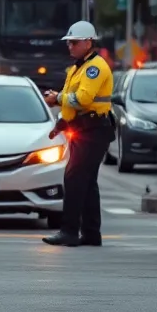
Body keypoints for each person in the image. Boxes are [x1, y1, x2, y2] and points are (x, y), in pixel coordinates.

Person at [40, 20, 115, 247]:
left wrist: (57, 98)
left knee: (74, 179)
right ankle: (91, 234)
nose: (69, 46)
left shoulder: (95, 68)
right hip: (84, 129)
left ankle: (69, 231)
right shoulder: (76, 68)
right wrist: (61, 123)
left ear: (88, 42)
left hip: (94, 130)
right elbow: (71, 101)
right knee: (87, 182)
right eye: (69, 42)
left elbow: (82, 99)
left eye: (74, 42)